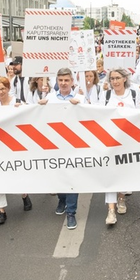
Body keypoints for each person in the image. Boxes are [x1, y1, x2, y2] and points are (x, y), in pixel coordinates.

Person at [0, 76, 32, 223]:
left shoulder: (17, 102)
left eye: (3, 88)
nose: (0, 91)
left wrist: (21, 110)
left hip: (15, 146)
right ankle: (1, 211)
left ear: (8, 88)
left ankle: (24, 195)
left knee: (16, 175)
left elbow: (30, 116)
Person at [41, 68, 82, 230]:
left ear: (72, 81)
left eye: (66, 80)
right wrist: (38, 106)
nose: (63, 83)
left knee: (72, 178)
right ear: (57, 82)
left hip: (74, 146)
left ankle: (71, 212)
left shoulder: (80, 99)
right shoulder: (49, 98)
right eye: (60, 81)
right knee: (57, 175)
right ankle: (62, 199)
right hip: (54, 146)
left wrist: (81, 107)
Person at [102, 68, 140, 223]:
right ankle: (111, 210)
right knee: (110, 173)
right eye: (112, 79)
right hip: (110, 140)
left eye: (117, 78)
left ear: (125, 79)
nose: (115, 81)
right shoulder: (106, 95)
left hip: (128, 141)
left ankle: (122, 198)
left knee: (124, 171)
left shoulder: (134, 94)